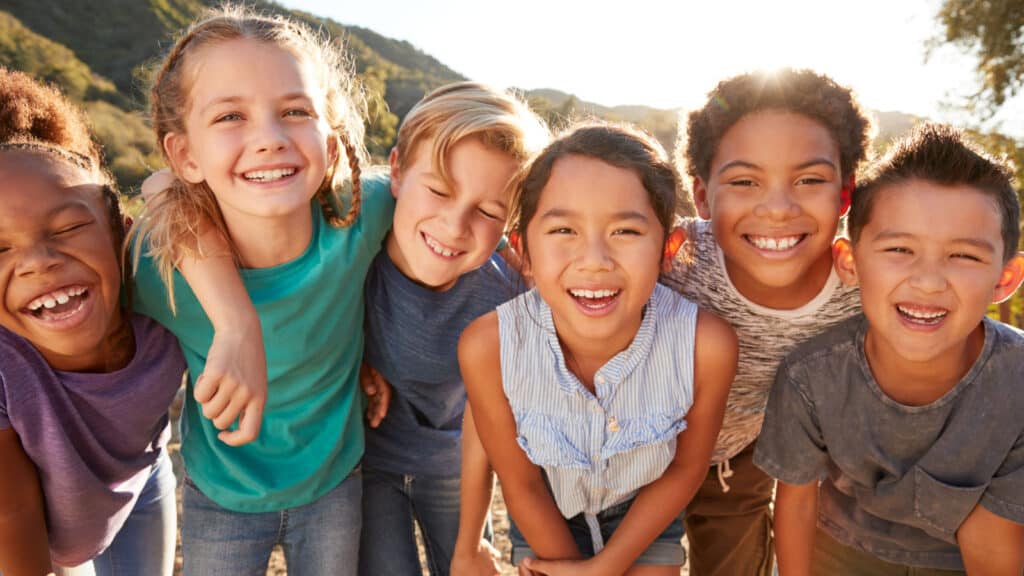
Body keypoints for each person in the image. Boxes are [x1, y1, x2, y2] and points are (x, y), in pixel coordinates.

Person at [129, 6, 393, 573]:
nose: (270, 139)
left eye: (296, 111)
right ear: (186, 155)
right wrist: (234, 318)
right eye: (230, 117)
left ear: (331, 134)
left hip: (334, 479)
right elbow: (157, 190)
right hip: (221, 493)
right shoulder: (157, 267)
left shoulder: (364, 215)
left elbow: (456, 204)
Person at [459, 122, 738, 575]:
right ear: (522, 251)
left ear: (668, 249)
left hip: (646, 510)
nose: (594, 260)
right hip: (546, 507)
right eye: (563, 230)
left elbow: (685, 469)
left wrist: (606, 566)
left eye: (625, 232)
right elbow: (522, 482)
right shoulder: (488, 346)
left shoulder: (705, 346)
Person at [756, 124, 1024, 575]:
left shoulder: (1015, 385)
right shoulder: (812, 378)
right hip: (841, 548)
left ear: (1005, 278)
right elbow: (797, 504)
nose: (927, 280)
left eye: (963, 256)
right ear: (850, 262)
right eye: (899, 249)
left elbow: (996, 540)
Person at [660, 68, 873, 576]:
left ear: (845, 195)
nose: (777, 208)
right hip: (630, 453)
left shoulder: (861, 287)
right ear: (703, 196)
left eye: (809, 180)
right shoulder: (672, 256)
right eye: (744, 181)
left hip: (736, 458)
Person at [358, 81, 548, 576]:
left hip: (457, 467)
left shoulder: (506, 292)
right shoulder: (354, 256)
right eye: (440, 190)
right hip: (368, 464)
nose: (455, 224)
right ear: (397, 171)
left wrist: (474, 542)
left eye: (488, 211)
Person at [0, 67, 184, 575]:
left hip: (141, 486)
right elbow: (12, 516)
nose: (38, 261)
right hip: (43, 522)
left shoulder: (167, 303)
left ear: (122, 234)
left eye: (69, 228)